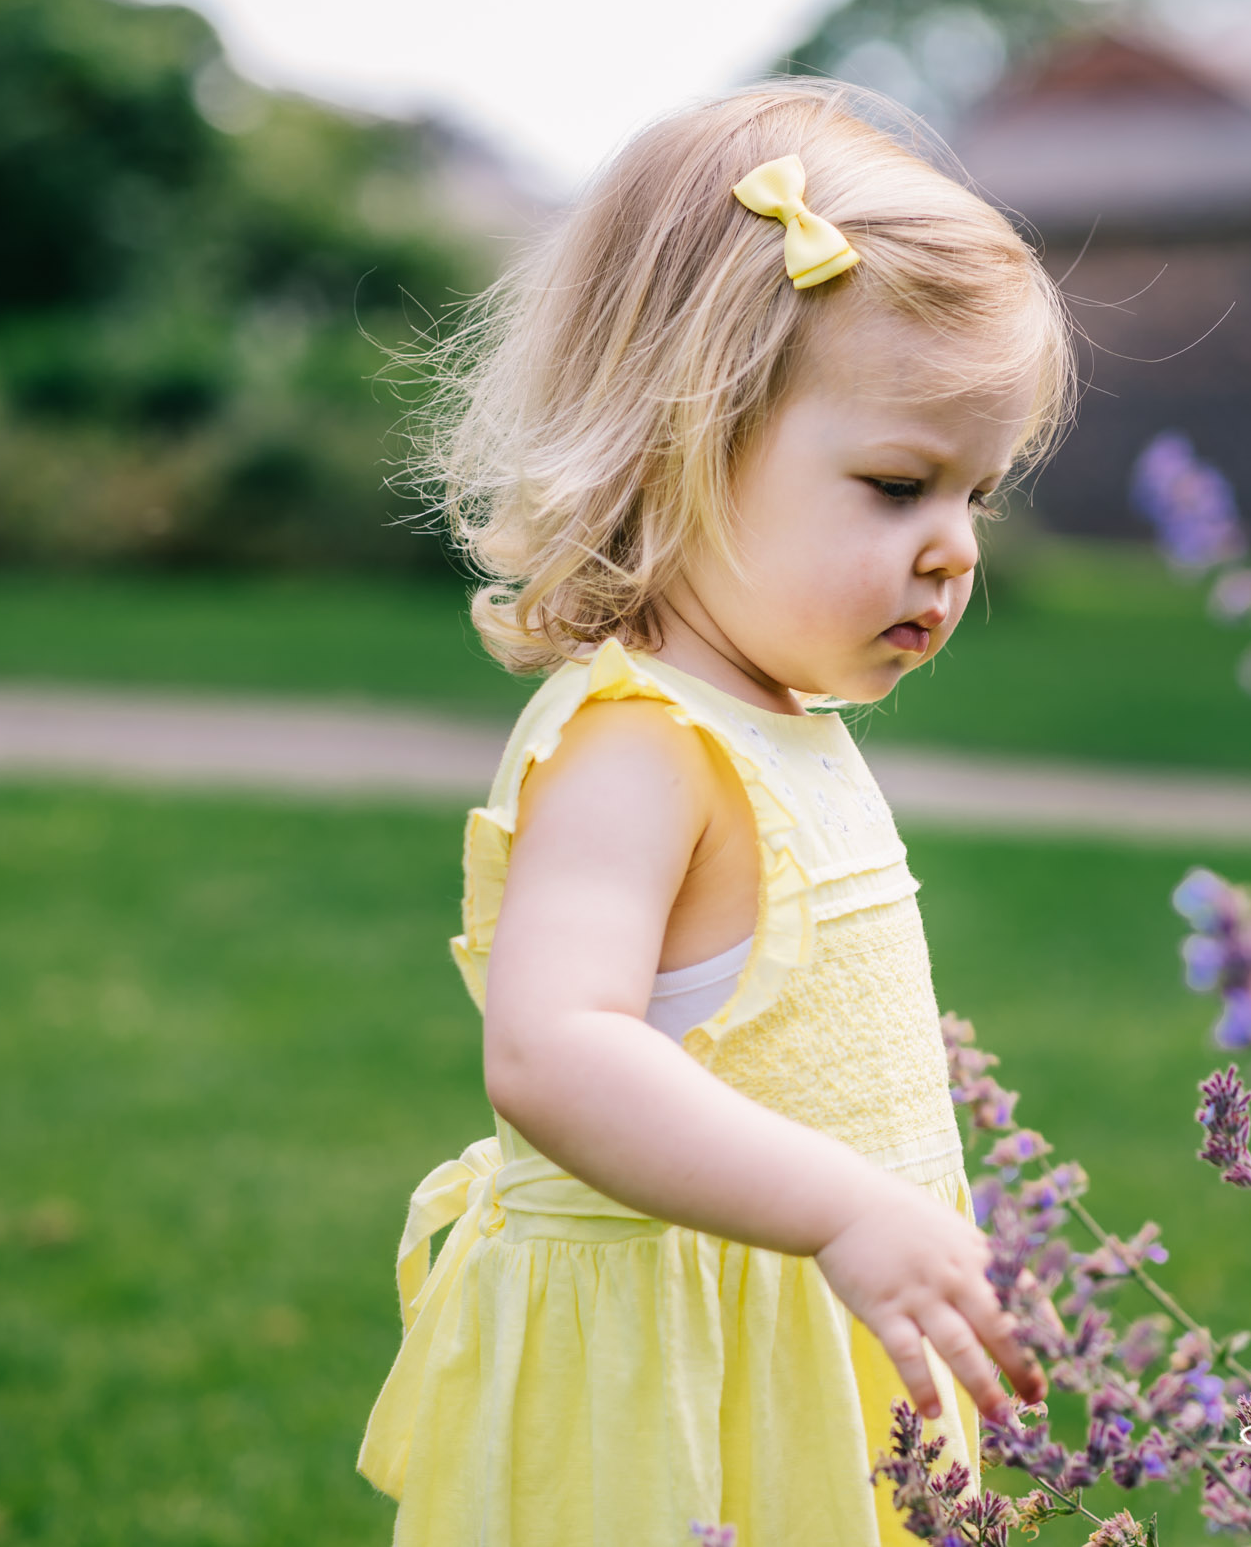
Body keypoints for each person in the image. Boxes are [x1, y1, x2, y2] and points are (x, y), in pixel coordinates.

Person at [356, 78, 1075, 1545]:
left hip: (802, 1348)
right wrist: (842, 1209)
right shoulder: (644, 744)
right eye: (896, 485)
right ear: (684, 438)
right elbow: (555, 1051)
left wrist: (900, 1229)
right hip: (667, 1391)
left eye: (978, 495)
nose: (950, 550)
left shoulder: (782, 725)